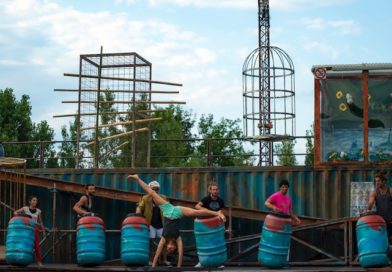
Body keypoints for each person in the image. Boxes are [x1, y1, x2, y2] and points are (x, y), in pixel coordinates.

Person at [127, 174, 226, 268]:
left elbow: (157, 252)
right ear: (174, 248)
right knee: (196, 213)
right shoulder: (177, 238)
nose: (170, 249)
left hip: (167, 210)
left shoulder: (164, 238)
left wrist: (153, 266)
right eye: (172, 250)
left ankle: (137, 178)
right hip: (178, 212)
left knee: (152, 193)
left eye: (168, 249)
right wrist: (179, 267)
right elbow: (181, 253)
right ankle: (217, 213)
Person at [136, 180, 168, 265]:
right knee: (151, 243)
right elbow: (140, 207)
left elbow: (168, 208)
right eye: (153, 189)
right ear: (150, 189)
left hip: (161, 224)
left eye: (157, 189)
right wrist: (137, 216)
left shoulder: (163, 197)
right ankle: (150, 260)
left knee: (164, 242)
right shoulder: (146, 198)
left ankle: (164, 260)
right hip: (151, 224)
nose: (155, 191)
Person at [195, 181, 225, 268]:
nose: (215, 191)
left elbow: (222, 211)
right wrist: (206, 211)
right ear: (210, 191)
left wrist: (221, 216)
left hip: (216, 225)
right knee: (204, 244)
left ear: (218, 190)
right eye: (213, 190)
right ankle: (201, 262)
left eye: (216, 190)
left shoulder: (220, 200)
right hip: (206, 224)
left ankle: (218, 263)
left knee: (216, 243)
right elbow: (197, 206)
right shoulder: (206, 199)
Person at [14, 196, 46, 267]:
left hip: (35, 228)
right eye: (33, 200)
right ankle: (20, 260)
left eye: (36, 201)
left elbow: (40, 222)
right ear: (30, 201)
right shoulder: (25, 208)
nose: (35, 202)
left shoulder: (38, 211)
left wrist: (43, 230)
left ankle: (39, 262)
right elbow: (15, 212)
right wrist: (20, 216)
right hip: (26, 228)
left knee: (36, 245)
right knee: (24, 243)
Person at [367, 172, 392, 242]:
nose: (377, 183)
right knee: (382, 240)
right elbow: (370, 203)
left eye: (378, 181)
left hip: (390, 221)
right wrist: (369, 205)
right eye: (376, 181)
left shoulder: (390, 191)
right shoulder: (374, 192)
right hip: (380, 222)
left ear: (384, 181)